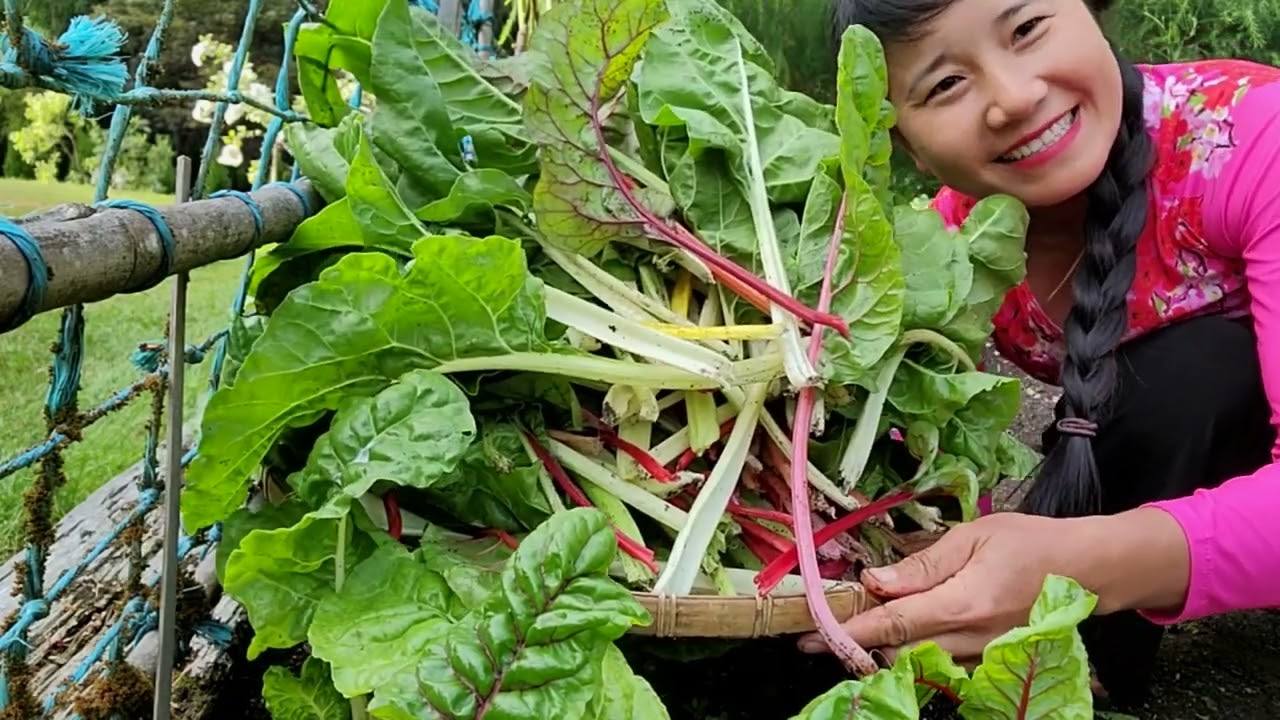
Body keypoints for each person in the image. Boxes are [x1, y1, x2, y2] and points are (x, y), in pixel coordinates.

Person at [798, 0, 1280, 707]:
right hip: (1202, 482)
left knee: (1191, 372)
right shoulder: (945, 253)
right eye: (946, 85)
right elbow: (934, 451)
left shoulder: (1251, 137)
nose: (1014, 99)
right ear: (903, 147)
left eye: (1026, 29)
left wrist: (1077, 569)